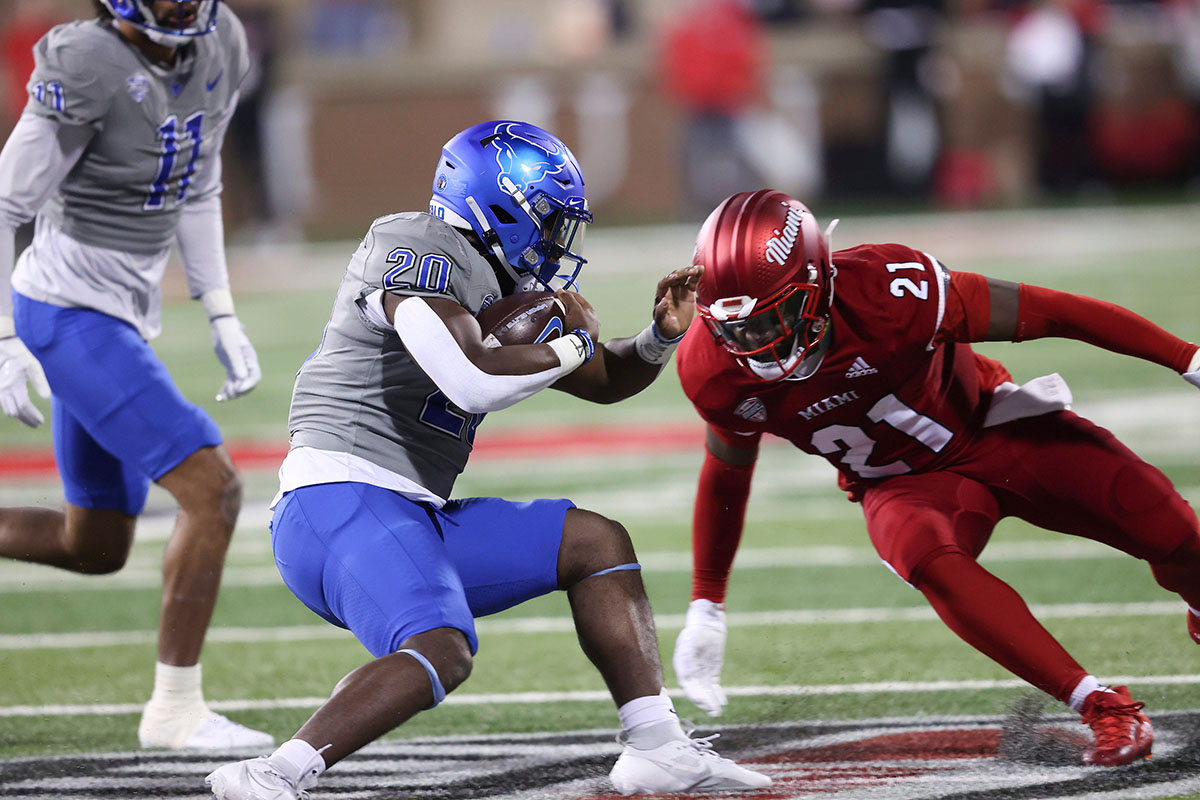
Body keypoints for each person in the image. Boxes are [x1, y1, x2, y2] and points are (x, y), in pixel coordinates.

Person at [204, 120, 772, 799]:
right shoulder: (414, 246)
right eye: (552, 221)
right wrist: (566, 346)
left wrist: (655, 337)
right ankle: (272, 774)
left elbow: (603, 381)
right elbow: (468, 379)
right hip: (335, 500)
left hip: (410, 512)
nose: (562, 241)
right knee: (442, 648)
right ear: (502, 206)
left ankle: (656, 746)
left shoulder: (503, 285)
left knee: (594, 544)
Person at [671, 188, 1200, 767]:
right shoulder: (711, 370)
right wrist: (707, 604)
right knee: (925, 554)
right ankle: (1101, 705)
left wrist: (1184, 357)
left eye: (775, 316)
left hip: (995, 429)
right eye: (737, 327)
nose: (757, 342)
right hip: (900, 485)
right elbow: (727, 473)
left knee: (1173, 532)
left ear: (819, 281)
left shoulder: (891, 289)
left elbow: (1047, 310)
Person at [0, 0, 271, 750]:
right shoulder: (87, 63)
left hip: (118, 314)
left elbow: (202, 183)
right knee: (213, 489)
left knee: (94, 545)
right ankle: (175, 709)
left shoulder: (222, 42)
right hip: (65, 310)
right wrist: (3, 337)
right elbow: (5, 201)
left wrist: (220, 308)